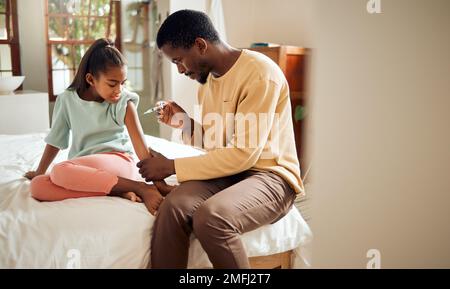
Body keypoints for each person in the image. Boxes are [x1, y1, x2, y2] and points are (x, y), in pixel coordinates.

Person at [136, 10, 304, 268]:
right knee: (173, 207)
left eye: (179, 61)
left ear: (200, 45)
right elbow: (218, 145)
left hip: (272, 176)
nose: (180, 70)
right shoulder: (208, 83)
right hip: (234, 173)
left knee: (211, 217)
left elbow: (242, 154)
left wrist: (171, 166)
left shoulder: (259, 74)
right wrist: (184, 122)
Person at [25, 38, 173, 215]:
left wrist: (159, 184)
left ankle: (139, 187)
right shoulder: (67, 100)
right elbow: (55, 140)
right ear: (90, 79)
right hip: (84, 169)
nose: (118, 89)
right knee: (38, 186)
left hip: (119, 162)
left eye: (122, 83)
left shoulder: (124, 102)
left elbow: (140, 147)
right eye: (112, 83)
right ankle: (116, 189)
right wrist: (39, 172)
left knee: (59, 171)